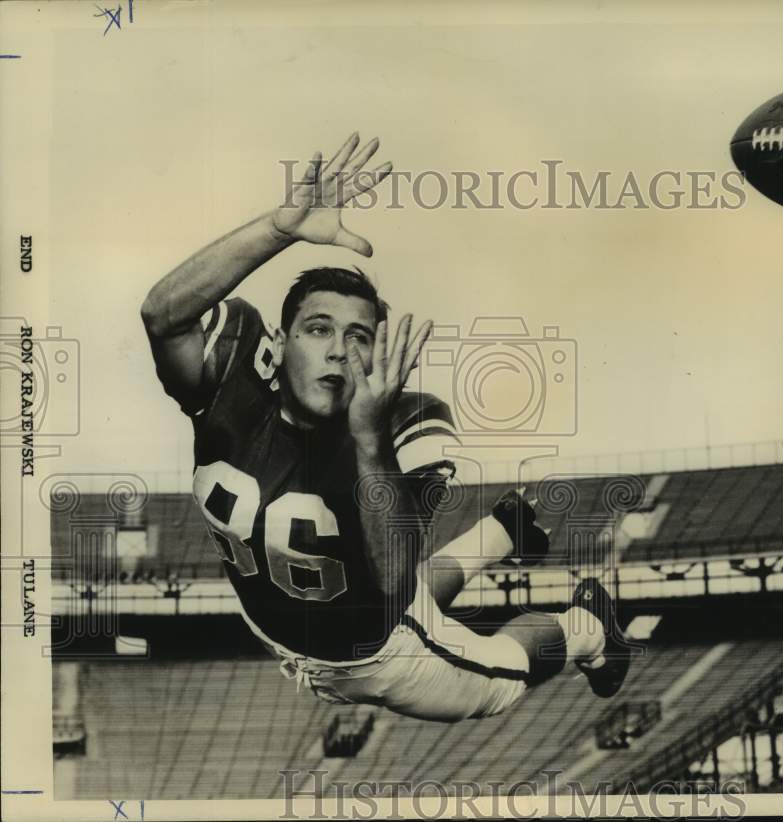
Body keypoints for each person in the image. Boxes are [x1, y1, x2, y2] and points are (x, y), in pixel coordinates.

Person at [141, 132, 631, 722]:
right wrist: (278, 230)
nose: (337, 351)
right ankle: (507, 529)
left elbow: (395, 583)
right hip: (295, 616)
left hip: (380, 655)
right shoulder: (234, 385)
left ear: (374, 358)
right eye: (318, 329)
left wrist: (369, 439)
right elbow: (161, 315)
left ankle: (587, 629)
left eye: (358, 337)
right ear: (277, 342)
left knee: (501, 673)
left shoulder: (407, 423)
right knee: (393, 584)